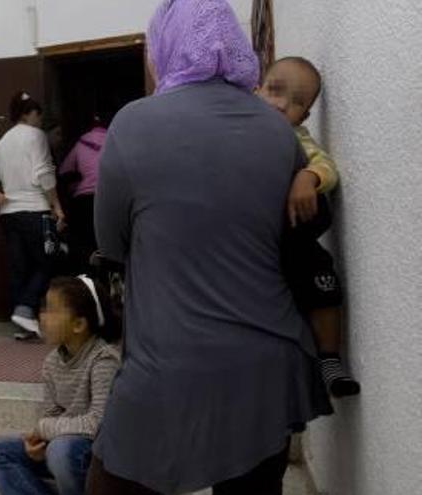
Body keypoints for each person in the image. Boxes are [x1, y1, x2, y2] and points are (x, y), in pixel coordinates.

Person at [87, 1, 332, 494]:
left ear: (167, 45)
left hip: (170, 360)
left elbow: (110, 242)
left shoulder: (134, 123)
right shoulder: (276, 130)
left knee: (112, 481)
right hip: (269, 361)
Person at [257, 57, 360, 397]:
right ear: (256, 90)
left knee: (324, 280)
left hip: (294, 241)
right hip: (255, 245)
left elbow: (327, 167)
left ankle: (329, 360)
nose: (282, 105)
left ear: (304, 117)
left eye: (297, 102)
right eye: (274, 90)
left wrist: (307, 175)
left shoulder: (297, 139)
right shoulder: (242, 130)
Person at [0, 276, 121, 495]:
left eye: (52, 310)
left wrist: (45, 431)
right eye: (44, 308)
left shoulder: (103, 359)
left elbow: (97, 424)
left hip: (92, 456)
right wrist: (40, 443)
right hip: (60, 447)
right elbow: (51, 413)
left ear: (79, 324)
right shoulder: (52, 362)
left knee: (60, 450)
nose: (42, 316)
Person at [0, 91, 67, 340]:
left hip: (9, 215)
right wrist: (57, 206)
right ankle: (25, 310)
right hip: (34, 210)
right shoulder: (36, 136)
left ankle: (24, 324)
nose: (39, 119)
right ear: (28, 114)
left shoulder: (3, 141)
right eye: (37, 114)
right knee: (49, 260)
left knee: (20, 268)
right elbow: (45, 175)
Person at [59, 114, 110, 274]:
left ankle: (88, 266)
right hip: (108, 198)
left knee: (82, 238)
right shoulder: (114, 140)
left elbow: (64, 170)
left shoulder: (81, 142)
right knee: (108, 239)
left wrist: (75, 185)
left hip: (84, 200)